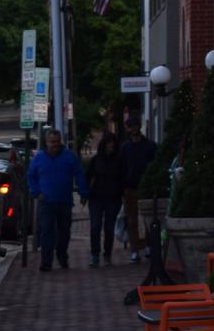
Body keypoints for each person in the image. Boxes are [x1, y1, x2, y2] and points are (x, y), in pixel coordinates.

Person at [24, 128, 88, 272]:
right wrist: (36, 192)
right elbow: (30, 176)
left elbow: (79, 174)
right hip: (46, 201)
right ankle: (46, 262)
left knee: (64, 232)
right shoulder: (39, 158)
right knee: (46, 232)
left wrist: (84, 193)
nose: (55, 145)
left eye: (57, 142)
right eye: (52, 142)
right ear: (46, 142)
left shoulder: (69, 156)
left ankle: (62, 257)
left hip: (64, 201)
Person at [118, 116, 159, 262]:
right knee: (132, 221)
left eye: (136, 125)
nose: (134, 129)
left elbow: (155, 166)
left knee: (148, 220)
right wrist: (122, 187)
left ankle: (148, 246)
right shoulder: (125, 148)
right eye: (131, 126)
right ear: (128, 128)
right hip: (130, 188)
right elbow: (121, 168)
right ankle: (134, 250)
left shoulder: (150, 146)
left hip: (146, 188)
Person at [85, 133, 127, 267]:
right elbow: (87, 176)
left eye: (113, 143)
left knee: (109, 228)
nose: (111, 146)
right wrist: (85, 194)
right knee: (95, 226)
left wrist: (121, 193)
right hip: (96, 196)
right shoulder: (96, 160)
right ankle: (95, 254)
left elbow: (123, 178)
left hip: (113, 198)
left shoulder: (119, 160)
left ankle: (107, 254)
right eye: (109, 143)